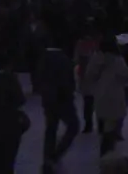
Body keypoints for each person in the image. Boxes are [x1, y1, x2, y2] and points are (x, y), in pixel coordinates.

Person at [36, 29, 80, 172]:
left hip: (48, 99)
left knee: (51, 128)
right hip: (62, 99)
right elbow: (67, 81)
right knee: (73, 126)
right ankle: (56, 155)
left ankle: (47, 158)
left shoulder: (44, 58)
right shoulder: (63, 59)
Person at [84, 34, 128, 155]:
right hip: (115, 96)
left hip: (100, 95)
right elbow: (126, 75)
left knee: (104, 122)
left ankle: (106, 151)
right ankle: (107, 153)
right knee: (111, 126)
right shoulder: (117, 59)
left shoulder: (96, 58)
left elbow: (89, 75)